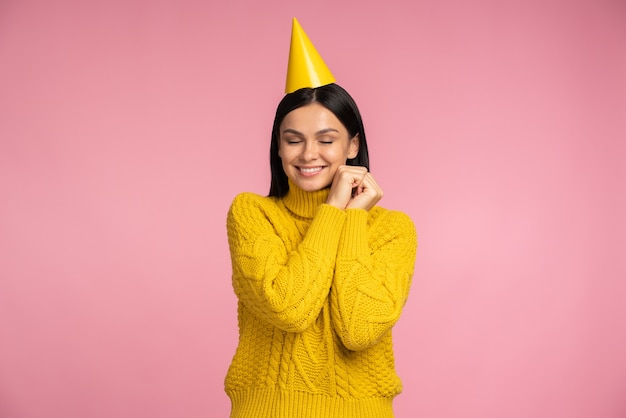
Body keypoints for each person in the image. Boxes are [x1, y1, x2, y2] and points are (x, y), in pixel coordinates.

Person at [224, 18, 417, 418]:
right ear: (278, 148)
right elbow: (289, 309)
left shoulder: (393, 229)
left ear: (353, 145)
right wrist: (334, 212)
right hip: (267, 410)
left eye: (326, 140)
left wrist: (352, 222)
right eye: (293, 140)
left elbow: (359, 329)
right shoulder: (253, 214)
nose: (309, 154)